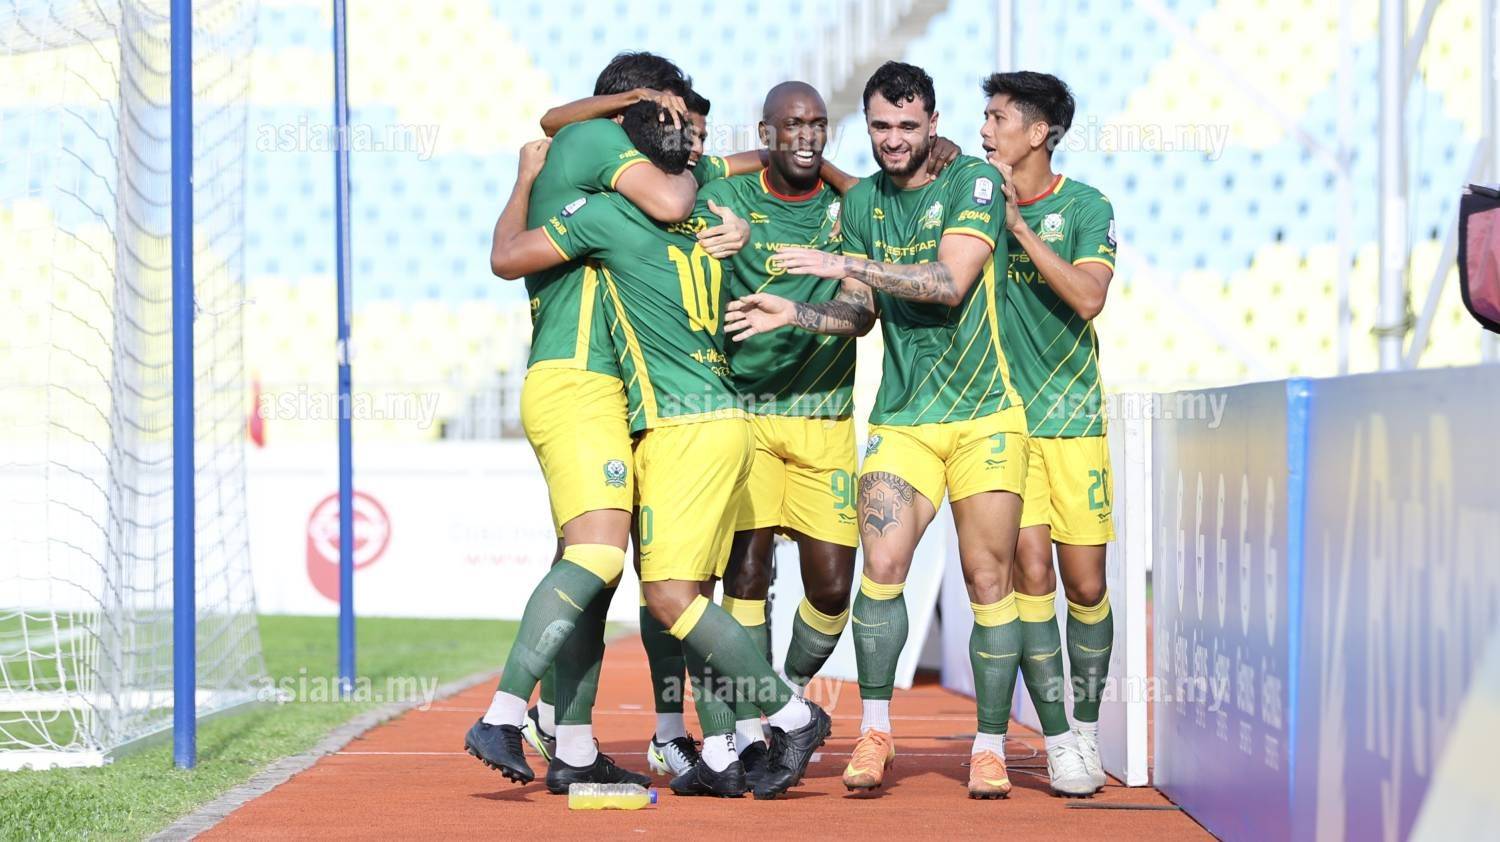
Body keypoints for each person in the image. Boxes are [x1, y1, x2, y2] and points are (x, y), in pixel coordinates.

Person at [488, 102, 832, 801]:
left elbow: (506, 257)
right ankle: (719, 749)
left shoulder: (608, 216)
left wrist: (528, 180)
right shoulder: (709, 215)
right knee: (686, 596)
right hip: (720, 418)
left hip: (681, 425)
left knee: (664, 593)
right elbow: (724, 167)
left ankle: (791, 718)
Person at [726, 61, 1030, 800]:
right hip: (903, 420)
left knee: (988, 578)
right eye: (881, 126)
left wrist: (842, 259)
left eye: (908, 126)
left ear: (933, 124)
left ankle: (989, 746)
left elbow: (949, 282)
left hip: (986, 415)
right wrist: (796, 311)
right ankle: (874, 730)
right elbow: (859, 312)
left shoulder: (973, 183)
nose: (893, 139)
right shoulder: (860, 201)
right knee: (881, 567)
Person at [464, 52, 744, 792]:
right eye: (671, 111)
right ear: (633, 108)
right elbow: (672, 198)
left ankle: (574, 744)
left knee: (590, 569)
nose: (681, 129)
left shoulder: (592, 157)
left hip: (602, 388)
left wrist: (800, 166)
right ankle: (503, 713)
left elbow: (719, 166)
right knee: (596, 557)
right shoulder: (596, 144)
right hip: (578, 379)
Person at [982, 70, 1119, 796]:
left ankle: (1089, 729)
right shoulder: (975, 201)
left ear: (1038, 133)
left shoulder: (1086, 206)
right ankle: (1061, 740)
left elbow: (1089, 298)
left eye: (998, 118)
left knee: (1086, 585)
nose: (985, 130)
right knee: (1030, 573)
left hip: (1074, 420)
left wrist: (1020, 231)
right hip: (1005, 425)